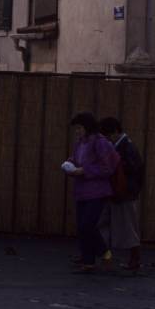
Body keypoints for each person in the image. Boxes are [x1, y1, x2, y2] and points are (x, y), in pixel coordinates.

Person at [62, 112, 119, 273]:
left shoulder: (100, 143)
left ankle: (103, 252)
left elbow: (107, 167)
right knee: (82, 226)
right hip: (82, 190)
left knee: (88, 225)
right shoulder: (81, 142)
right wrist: (69, 164)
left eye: (79, 128)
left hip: (97, 191)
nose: (77, 131)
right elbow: (75, 158)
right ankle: (88, 260)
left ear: (87, 127)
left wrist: (83, 171)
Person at [98, 117, 144, 271]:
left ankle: (134, 259)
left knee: (127, 227)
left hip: (123, 193)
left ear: (115, 132)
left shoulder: (126, 148)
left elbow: (133, 171)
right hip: (122, 192)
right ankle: (130, 258)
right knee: (123, 225)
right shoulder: (126, 146)